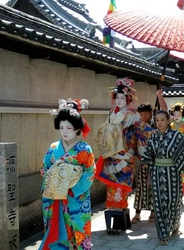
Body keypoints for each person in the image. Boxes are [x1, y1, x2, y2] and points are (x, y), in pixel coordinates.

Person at [40, 99, 95, 250]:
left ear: (77, 128)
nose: (64, 131)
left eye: (69, 128)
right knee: (57, 232)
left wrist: (72, 188)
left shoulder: (84, 149)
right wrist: (54, 182)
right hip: (56, 198)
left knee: (77, 232)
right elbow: (44, 168)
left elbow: (90, 171)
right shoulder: (53, 148)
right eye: (61, 127)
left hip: (75, 197)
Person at [141, 110, 184, 245]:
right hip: (157, 173)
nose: (160, 123)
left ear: (168, 121)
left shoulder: (177, 136)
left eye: (162, 120)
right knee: (160, 203)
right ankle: (163, 234)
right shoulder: (152, 137)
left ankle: (175, 226)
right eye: (157, 120)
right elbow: (148, 158)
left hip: (173, 173)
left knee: (174, 202)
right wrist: (149, 175)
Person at [95, 77, 140, 209]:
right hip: (111, 154)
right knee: (111, 185)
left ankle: (121, 209)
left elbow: (136, 135)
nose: (119, 100)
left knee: (121, 184)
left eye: (122, 97)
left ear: (128, 99)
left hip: (124, 155)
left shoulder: (132, 115)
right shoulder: (111, 113)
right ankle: (112, 208)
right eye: (117, 97)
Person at [131, 102, 156, 224]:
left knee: (153, 186)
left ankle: (153, 211)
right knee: (140, 186)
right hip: (142, 160)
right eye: (141, 113)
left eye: (146, 113)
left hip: (155, 161)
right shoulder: (137, 126)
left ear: (151, 113)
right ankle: (137, 213)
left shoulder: (156, 124)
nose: (144, 115)